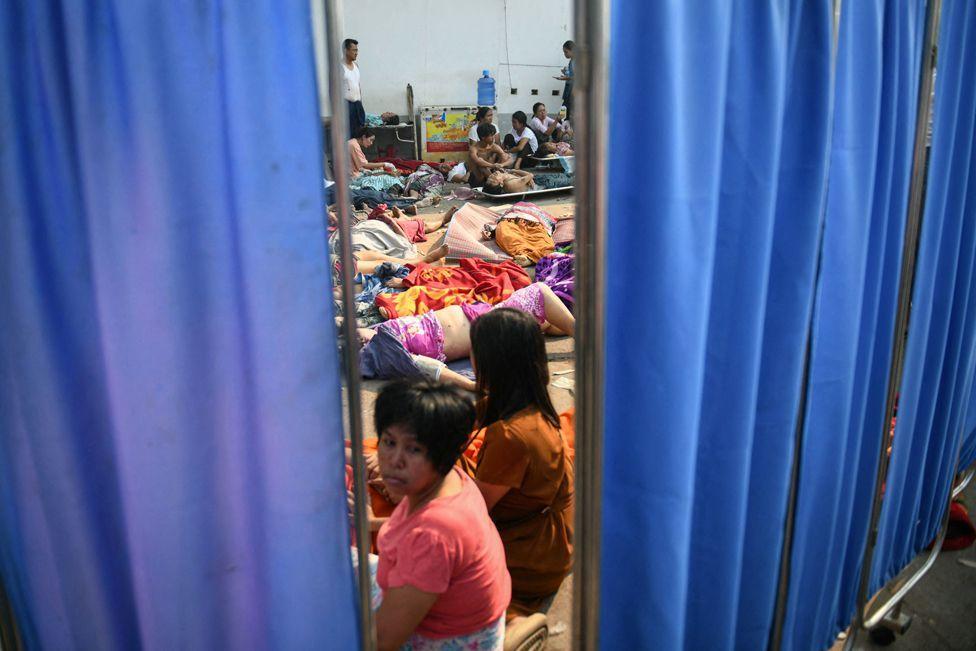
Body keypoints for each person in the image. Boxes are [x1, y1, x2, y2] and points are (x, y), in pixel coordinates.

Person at [360, 379, 511, 650]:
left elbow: (382, 641)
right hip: (468, 619)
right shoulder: (453, 478)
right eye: (389, 442)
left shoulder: (433, 535)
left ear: (441, 454)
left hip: (445, 639)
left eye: (414, 449)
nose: (395, 460)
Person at [470, 308, 574, 620]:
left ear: (492, 362)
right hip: (549, 541)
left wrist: (379, 523)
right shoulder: (530, 405)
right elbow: (459, 419)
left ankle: (518, 630)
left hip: (525, 560)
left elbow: (470, 511)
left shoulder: (511, 436)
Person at [358, 282, 575, 390]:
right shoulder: (385, 351)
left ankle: (565, 328)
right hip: (490, 328)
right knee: (539, 291)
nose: (357, 335)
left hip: (482, 315)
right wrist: (472, 386)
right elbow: (431, 369)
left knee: (542, 318)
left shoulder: (380, 330)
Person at [468, 123, 513, 187]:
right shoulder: (474, 149)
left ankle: (498, 181)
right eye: (491, 136)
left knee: (504, 156)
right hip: (477, 179)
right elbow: (478, 161)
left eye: (494, 135)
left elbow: (510, 159)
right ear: (483, 137)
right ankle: (497, 183)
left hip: (490, 175)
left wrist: (501, 165)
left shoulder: (494, 146)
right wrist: (493, 166)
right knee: (482, 164)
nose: (493, 138)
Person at [342, 38, 366, 136]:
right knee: (348, 135)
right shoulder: (340, 67)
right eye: (354, 50)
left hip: (357, 105)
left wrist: (361, 104)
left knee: (359, 134)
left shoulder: (356, 66)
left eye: (357, 50)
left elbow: (358, 87)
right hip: (347, 106)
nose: (356, 53)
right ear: (346, 51)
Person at [554, 40, 574, 119]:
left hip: (573, 92)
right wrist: (566, 73)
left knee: (564, 114)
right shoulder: (572, 61)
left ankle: (560, 122)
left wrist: (565, 78)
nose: (565, 54)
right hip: (568, 92)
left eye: (566, 52)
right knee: (563, 112)